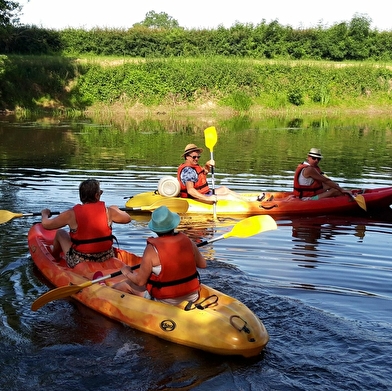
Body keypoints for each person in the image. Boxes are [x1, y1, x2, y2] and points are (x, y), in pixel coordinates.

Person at [115, 206, 207, 305]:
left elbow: (140, 282)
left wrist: (127, 273)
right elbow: (203, 265)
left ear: (155, 230)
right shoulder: (187, 241)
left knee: (126, 284)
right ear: (173, 225)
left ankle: (105, 293)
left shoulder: (151, 250)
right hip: (193, 296)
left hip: (166, 300)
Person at [41, 178, 132, 268]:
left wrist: (44, 214)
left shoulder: (71, 214)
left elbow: (46, 224)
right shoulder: (109, 211)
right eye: (100, 192)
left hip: (80, 260)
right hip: (106, 256)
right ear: (97, 195)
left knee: (60, 233)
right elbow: (127, 218)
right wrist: (116, 209)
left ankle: (55, 257)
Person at [177, 143, 256, 203]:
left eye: (198, 157)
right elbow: (190, 190)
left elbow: (201, 176)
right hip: (194, 198)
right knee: (228, 196)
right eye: (194, 157)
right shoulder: (188, 170)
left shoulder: (193, 166)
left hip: (204, 193)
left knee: (224, 189)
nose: (197, 159)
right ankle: (248, 203)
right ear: (187, 157)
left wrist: (207, 166)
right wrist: (208, 198)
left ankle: (248, 200)